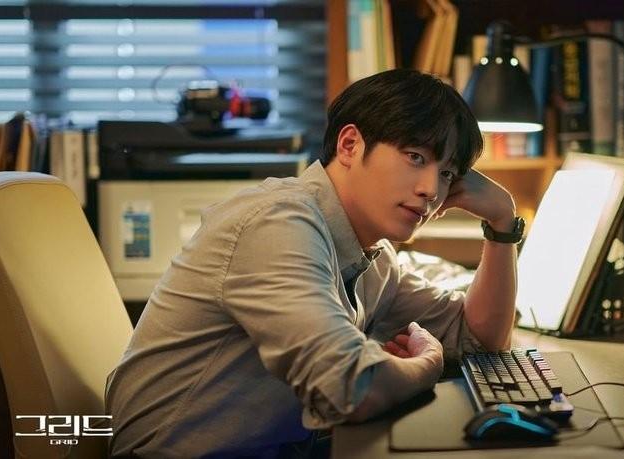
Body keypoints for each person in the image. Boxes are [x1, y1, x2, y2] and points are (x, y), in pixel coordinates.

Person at [106, 68, 521, 458]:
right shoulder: (277, 223)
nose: (431, 189)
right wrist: (427, 365)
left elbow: (478, 337)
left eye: (447, 174)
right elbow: (349, 387)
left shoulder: (373, 256)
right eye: (415, 157)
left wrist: (502, 221)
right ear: (350, 145)